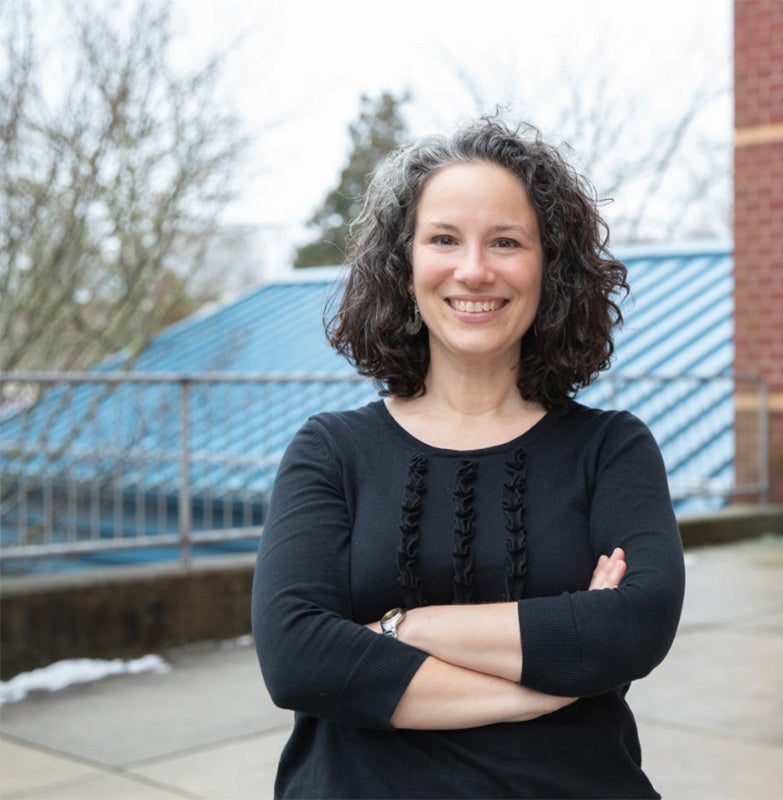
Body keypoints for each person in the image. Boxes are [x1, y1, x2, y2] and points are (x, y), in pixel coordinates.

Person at [251, 117, 686, 799]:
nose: (474, 269)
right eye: (444, 239)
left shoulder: (611, 449)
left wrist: (401, 628)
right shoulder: (330, 450)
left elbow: (636, 624)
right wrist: (545, 686)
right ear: (405, 264)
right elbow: (297, 659)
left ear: (552, 266)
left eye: (506, 242)